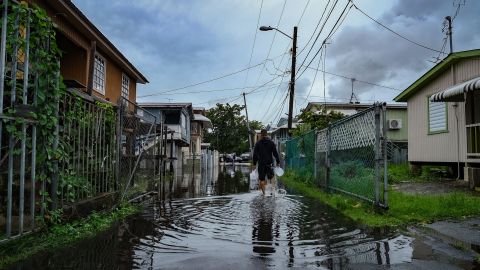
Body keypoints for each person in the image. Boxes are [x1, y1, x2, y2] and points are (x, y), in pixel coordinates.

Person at [252, 129, 281, 195]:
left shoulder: (258, 143)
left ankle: (264, 194)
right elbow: (275, 153)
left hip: (261, 164)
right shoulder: (271, 143)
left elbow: (255, 154)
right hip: (269, 164)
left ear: (261, 135)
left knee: (262, 179)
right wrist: (278, 161)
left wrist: (254, 163)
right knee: (271, 178)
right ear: (267, 134)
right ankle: (272, 192)